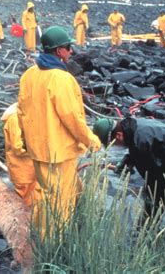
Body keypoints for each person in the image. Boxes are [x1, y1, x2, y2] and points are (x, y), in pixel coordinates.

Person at [18, 26, 101, 236]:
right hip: (58, 152)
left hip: (37, 149)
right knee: (60, 202)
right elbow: (72, 118)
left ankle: (37, 234)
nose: (71, 51)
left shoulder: (29, 74)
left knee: (45, 192)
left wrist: (25, 140)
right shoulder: (61, 79)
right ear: (58, 51)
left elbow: (21, 111)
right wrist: (91, 140)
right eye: (68, 47)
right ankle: (53, 244)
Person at [93, 117, 165, 232]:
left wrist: (154, 200)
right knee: (156, 201)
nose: (116, 146)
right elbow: (135, 148)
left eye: (113, 144)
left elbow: (153, 179)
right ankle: (146, 229)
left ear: (118, 135)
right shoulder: (131, 126)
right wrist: (125, 164)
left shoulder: (141, 143)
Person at [1, 103, 36, 207]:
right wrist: (39, 150)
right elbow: (18, 147)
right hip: (22, 169)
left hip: (31, 167)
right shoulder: (14, 118)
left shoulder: (26, 111)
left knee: (34, 197)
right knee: (24, 199)